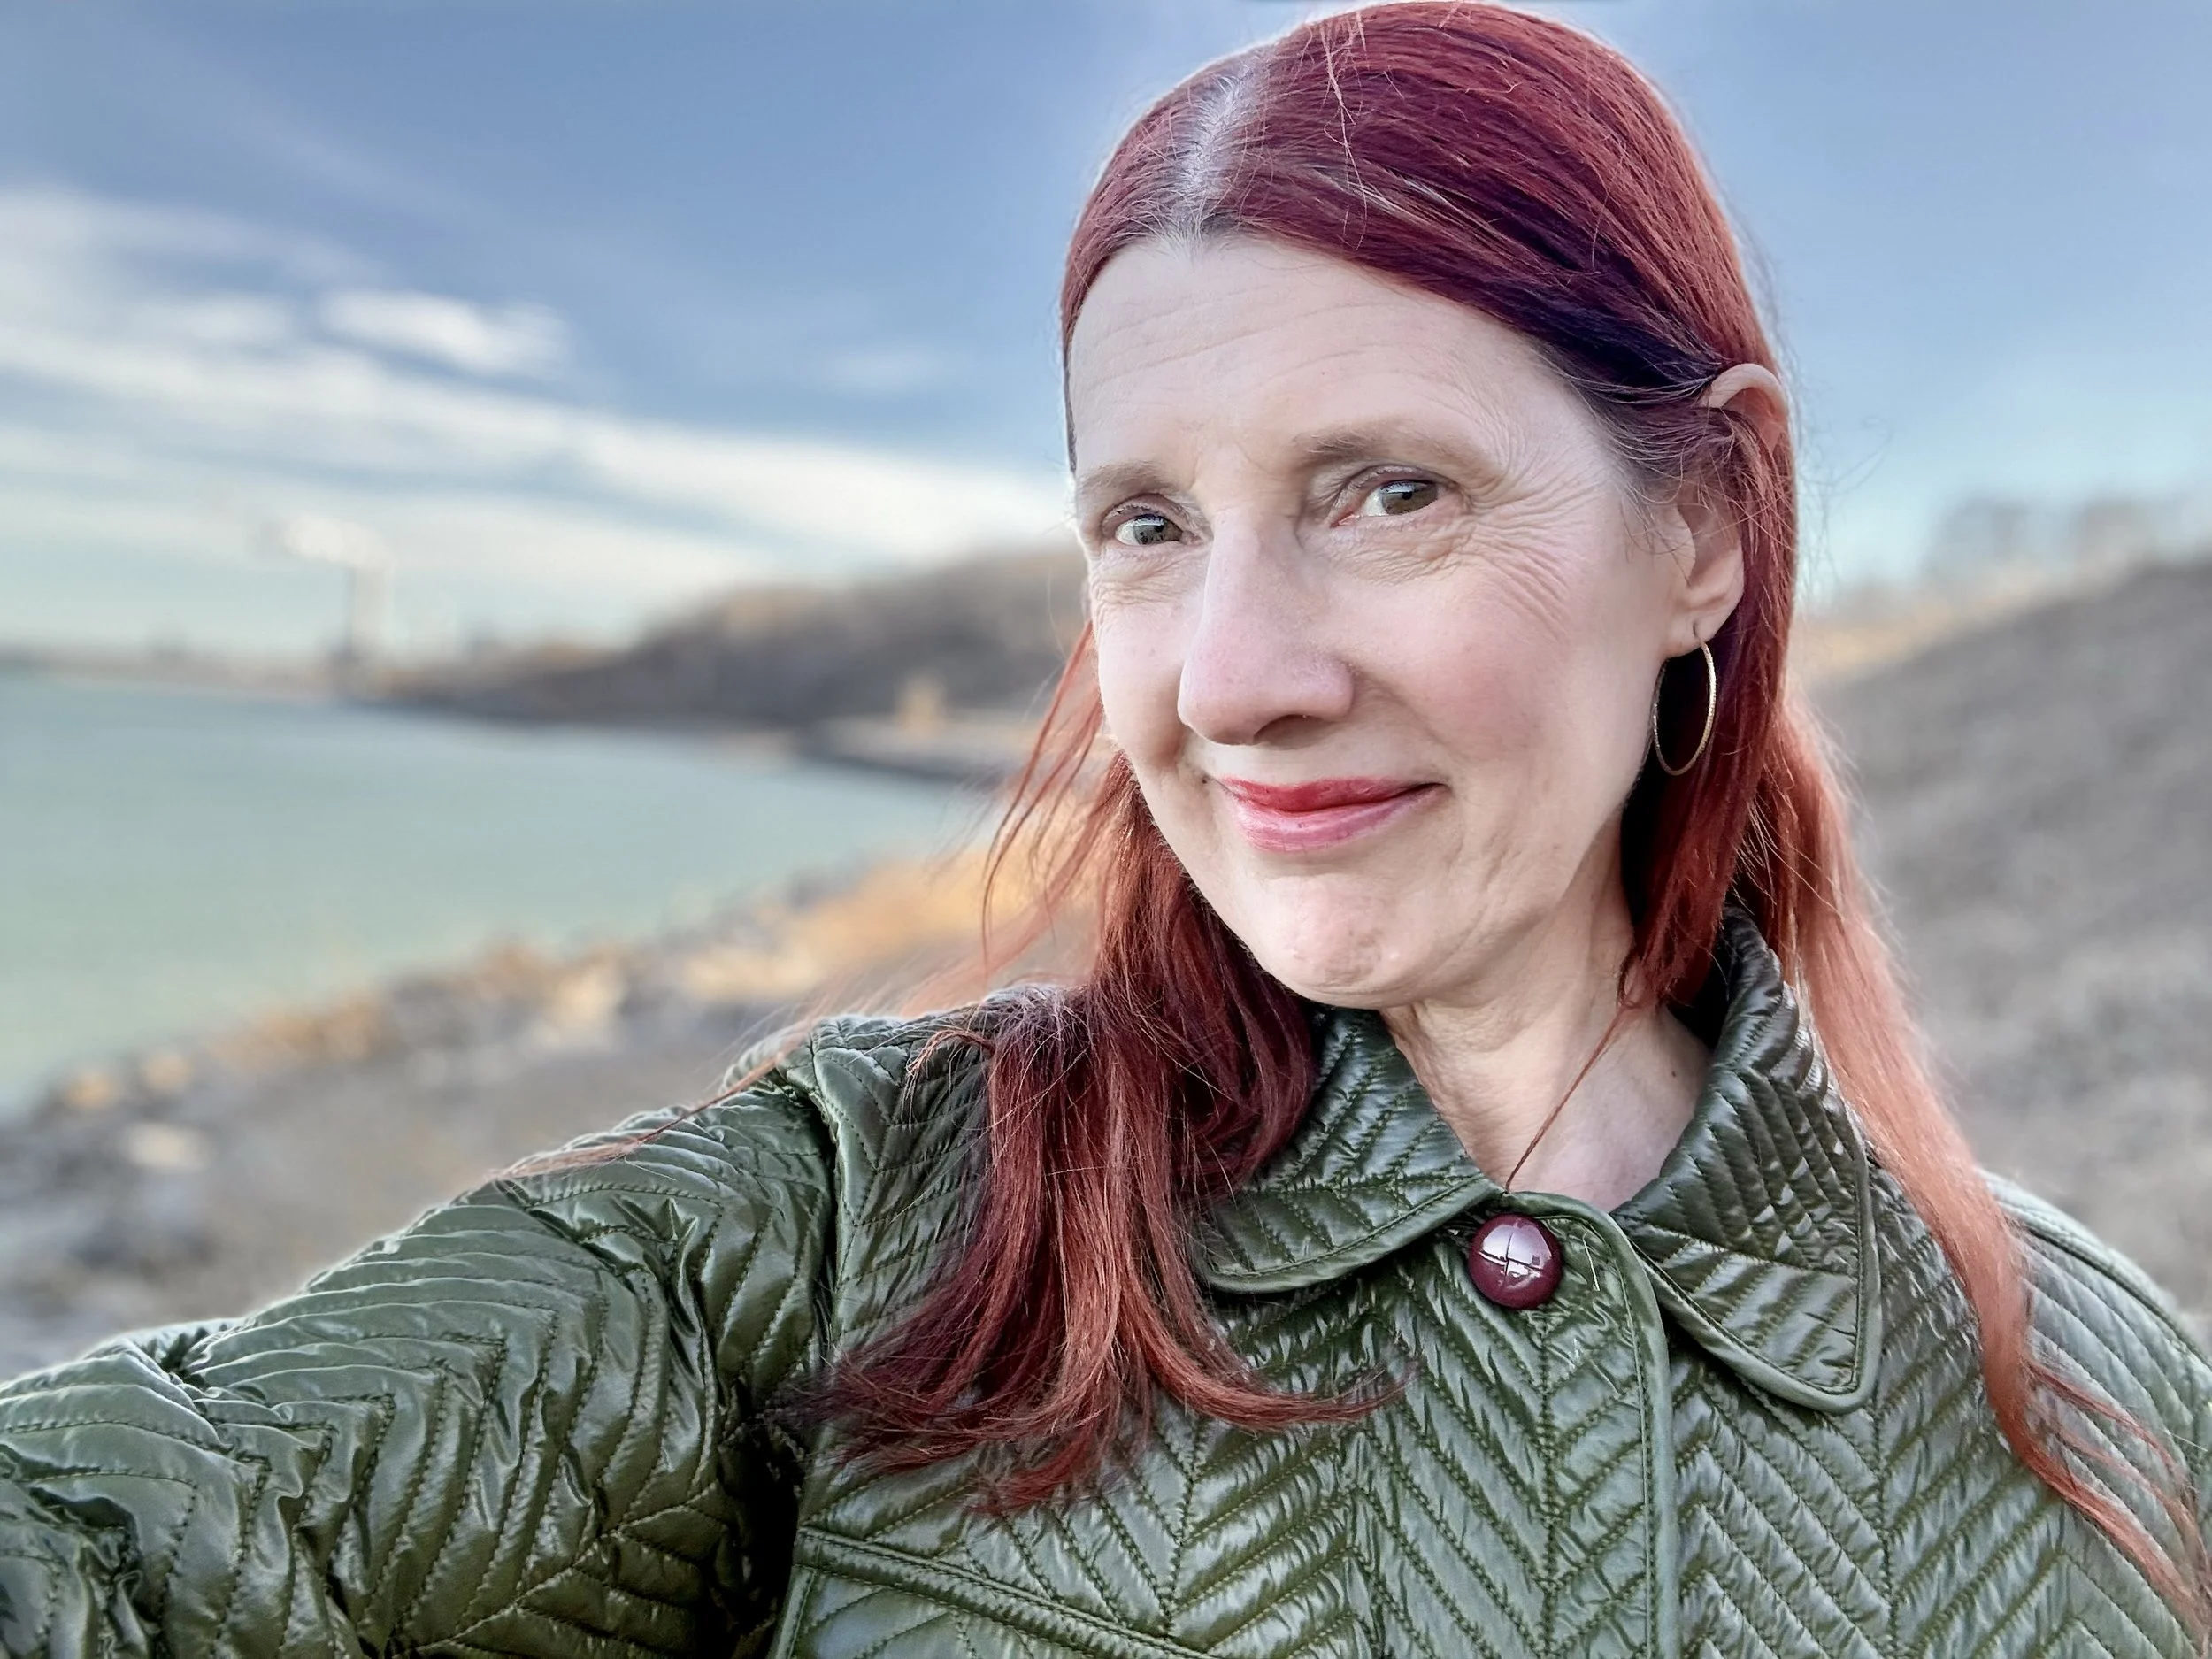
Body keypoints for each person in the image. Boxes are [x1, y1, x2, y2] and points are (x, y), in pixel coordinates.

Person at [4, 4, 2208, 1655]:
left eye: (1390, 490)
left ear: (1704, 528)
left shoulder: (2113, 1400)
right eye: (1145, 523)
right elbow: (141, 1530)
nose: (1229, 672)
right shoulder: (867, 1225)